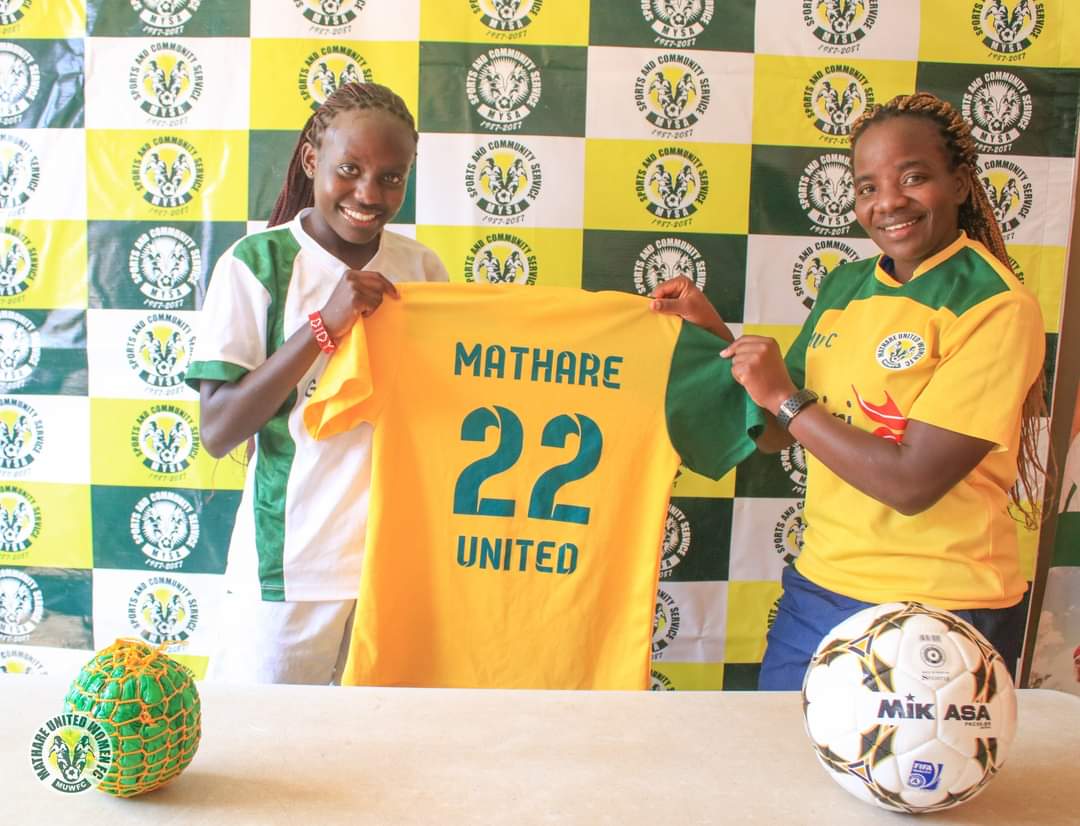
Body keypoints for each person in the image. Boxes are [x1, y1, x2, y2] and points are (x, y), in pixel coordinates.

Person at [652, 92, 1050, 689]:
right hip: (822, 587)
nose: (888, 201)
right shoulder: (847, 284)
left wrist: (786, 397)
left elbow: (910, 484)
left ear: (962, 184)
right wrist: (713, 336)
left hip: (940, 603)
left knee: (903, 782)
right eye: (867, 187)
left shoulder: (995, 306)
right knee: (780, 764)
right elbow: (775, 429)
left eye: (914, 177)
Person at [184, 82, 449, 684]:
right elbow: (219, 429)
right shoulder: (257, 264)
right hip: (290, 569)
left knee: (386, 752)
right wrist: (323, 326)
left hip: (393, 566)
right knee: (269, 753)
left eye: (391, 177)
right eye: (349, 170)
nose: (368, 194)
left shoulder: (422, 269)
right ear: (311, 160)